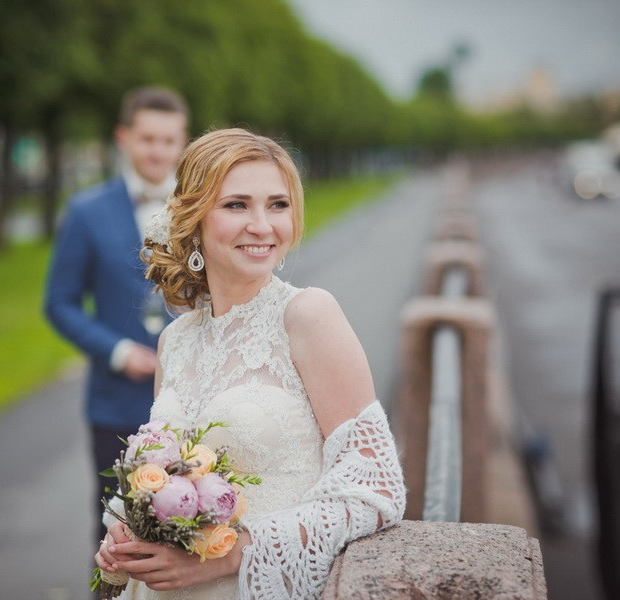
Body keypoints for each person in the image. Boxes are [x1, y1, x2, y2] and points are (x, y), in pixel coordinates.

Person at [93, 128, 406, 599]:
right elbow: (165, 479)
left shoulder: (307, 316)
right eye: (237, 205)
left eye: (278, 205)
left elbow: (376, 492)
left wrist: (232, 552)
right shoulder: (174, 341)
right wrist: (124, 533)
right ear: (194, 218)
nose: (262, 225)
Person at [43, 87, 189, 546]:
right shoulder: (86, 212)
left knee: (192, 529)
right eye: (147, 138)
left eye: (169, 140)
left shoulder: (200, 209)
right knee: (116, 529)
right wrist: (118, 351)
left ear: (182, 142)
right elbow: (59, 303)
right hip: (117, 402)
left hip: (194, 396)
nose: (158, 150)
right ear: (123, 138)